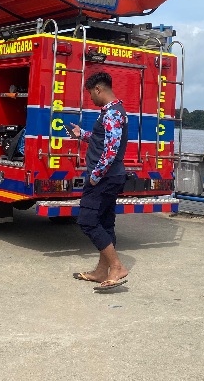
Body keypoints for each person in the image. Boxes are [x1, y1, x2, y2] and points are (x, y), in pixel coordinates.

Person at [68, 71, 130, 292]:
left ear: (98, 90)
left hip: (104, 178)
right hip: (111, 177)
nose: (90, 99)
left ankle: (116, 266)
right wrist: (82, 134)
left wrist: (95, 176)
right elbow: (103, 139)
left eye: (91, 94)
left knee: (87, 220)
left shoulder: (112, 114)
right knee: (105, 222)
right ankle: (101, 271)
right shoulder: (111, 113)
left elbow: (111, 150)